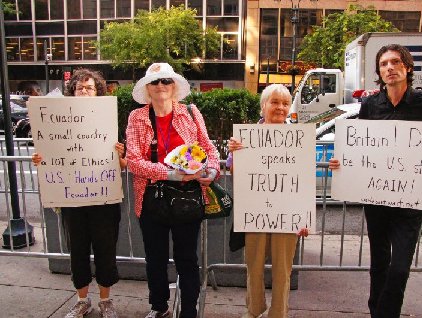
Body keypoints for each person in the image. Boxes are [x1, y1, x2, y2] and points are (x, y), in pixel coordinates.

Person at [329, 44, 422, 318]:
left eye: (395, 62)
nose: (389, 67)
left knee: (399, 269)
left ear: (407, 68)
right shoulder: (370, 104)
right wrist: (343, 164)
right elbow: (359, 149)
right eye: (384, 63)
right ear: (379, 71)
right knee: (379, 266)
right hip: (376, 202)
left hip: (410, 204)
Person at [126, 62, 220, 318]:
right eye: (154, 82)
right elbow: (133, 161)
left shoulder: (190, 112)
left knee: (187, 259)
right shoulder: (137, 117)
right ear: (147, 88)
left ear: (174, 86)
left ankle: (189, 310)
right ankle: (159, 307)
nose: (160, 86)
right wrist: (168, 173)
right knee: (155, 259)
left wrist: (210, 172)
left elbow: (209, 149)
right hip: (151, 197)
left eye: (165, 81)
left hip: (187, 196)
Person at [32, 68, 127, 318]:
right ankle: (82, 301)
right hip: (71, 199)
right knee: (78, 251)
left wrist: (120, 156)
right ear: (72, 91)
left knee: (106, 251)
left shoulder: (109, 119)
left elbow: (123, 164)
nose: (84, 91)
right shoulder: (57, 120)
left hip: (103, 198)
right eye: (80, 87)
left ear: (99, 92)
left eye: (90, 87)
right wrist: (40, 158)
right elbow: (49, 153)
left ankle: (106, 301)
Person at [227, 84, 309, 318]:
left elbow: (303, 180)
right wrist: (234, 153)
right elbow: (233, 170)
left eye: (285, 103)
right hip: (255, 212)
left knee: (283, 270)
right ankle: (254, 311)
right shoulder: (246, 137)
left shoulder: (299, 138)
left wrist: (305, 217)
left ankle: (278, 313)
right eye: (275, 102)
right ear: (263, 106)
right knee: (254, 267)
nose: (280, 107)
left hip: (288, 215)